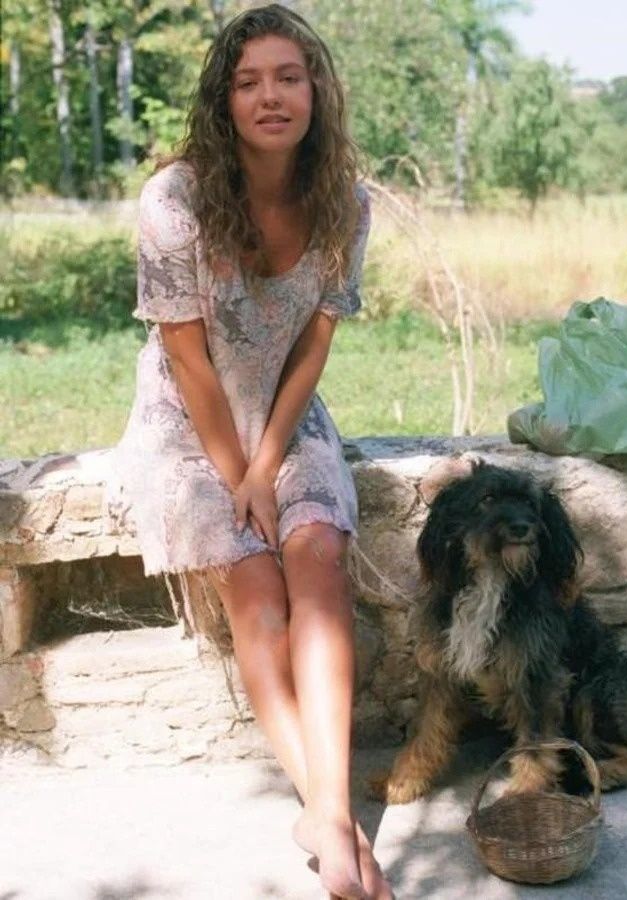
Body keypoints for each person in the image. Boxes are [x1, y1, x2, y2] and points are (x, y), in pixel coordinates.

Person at [105, 5, 393, 899]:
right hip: (188, 425)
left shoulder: (346, 202)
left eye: (288, 77)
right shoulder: (175, 201)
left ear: (316, 91)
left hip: (285, 415)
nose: (271, 96)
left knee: (319, 559)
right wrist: (238, 476)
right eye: (248, 81)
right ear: (224, 99)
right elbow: (187, 358)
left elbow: (315, 340)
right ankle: (340, 830)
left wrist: (269, 464)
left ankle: (327, 814)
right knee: (257, 584)